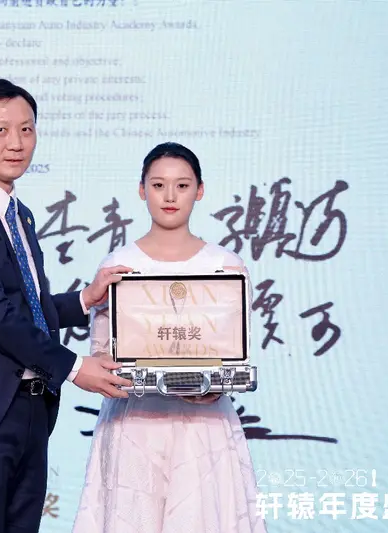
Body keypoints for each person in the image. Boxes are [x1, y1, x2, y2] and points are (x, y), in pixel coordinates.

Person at [0, 78, 133, 533]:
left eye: (26, 129)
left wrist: (83, 300)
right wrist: (75, 367)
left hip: (30, 412)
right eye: (0, 130)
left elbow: (26, 306)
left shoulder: (19, 213)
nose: (16, 143)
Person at [71, 142, 267, 533]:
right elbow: (102, 353)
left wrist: (213, 385)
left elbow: (233, 352)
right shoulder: (118, 266)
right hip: (135, 425)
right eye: (159, 185)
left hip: (203, 424)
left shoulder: (226, 266)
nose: (170, 196)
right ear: (142, 190)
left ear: (200, 190)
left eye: (182, 185)